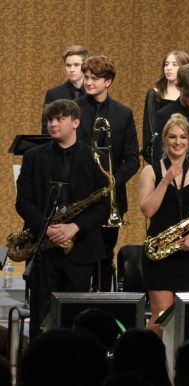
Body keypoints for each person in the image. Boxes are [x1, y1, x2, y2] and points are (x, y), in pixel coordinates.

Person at [16, 99, 109, 339]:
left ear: (75, 122)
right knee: (41, 317)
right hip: (44, 250)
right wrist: (47, 229)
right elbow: (23, 201)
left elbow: (103, 207)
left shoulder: (93, 157)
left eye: (59, 119)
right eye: (50, 120)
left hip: (81, 250)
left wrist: (74, 227)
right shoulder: (33, 156)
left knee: (76, 318)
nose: (53, 124)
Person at [139, 113, 189, 335]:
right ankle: (155, 363)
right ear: (165, 140)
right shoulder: (150, 171)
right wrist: (166, 179)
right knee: (162, 313)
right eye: (172, 137)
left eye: (182, 137)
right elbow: (147, 209)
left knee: (185, 314)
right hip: (159, 252)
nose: (178, 141)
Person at [76, 55, 140, 292]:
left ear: (108, 81)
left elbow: (133, 159)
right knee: (82, 258)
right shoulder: (75, 110)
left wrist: (113, 181)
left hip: (110, 199)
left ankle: (103, 303)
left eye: (95, 78)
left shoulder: (123, 113)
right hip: (81, 197)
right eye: (87, 77)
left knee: (105, 256)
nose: (89, 82)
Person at [142, 50, 189, 163]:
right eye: (166, 64)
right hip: (161, 156)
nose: (168, 68)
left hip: (186, 155)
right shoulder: (154, 94)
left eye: (174, 65)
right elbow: (150, 129)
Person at [41, 45, 91, 133]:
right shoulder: (54, 93)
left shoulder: (93, 93)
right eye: (68, 65)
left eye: (76, 65)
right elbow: (46, 129)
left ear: (86, 66)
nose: (71, 69)